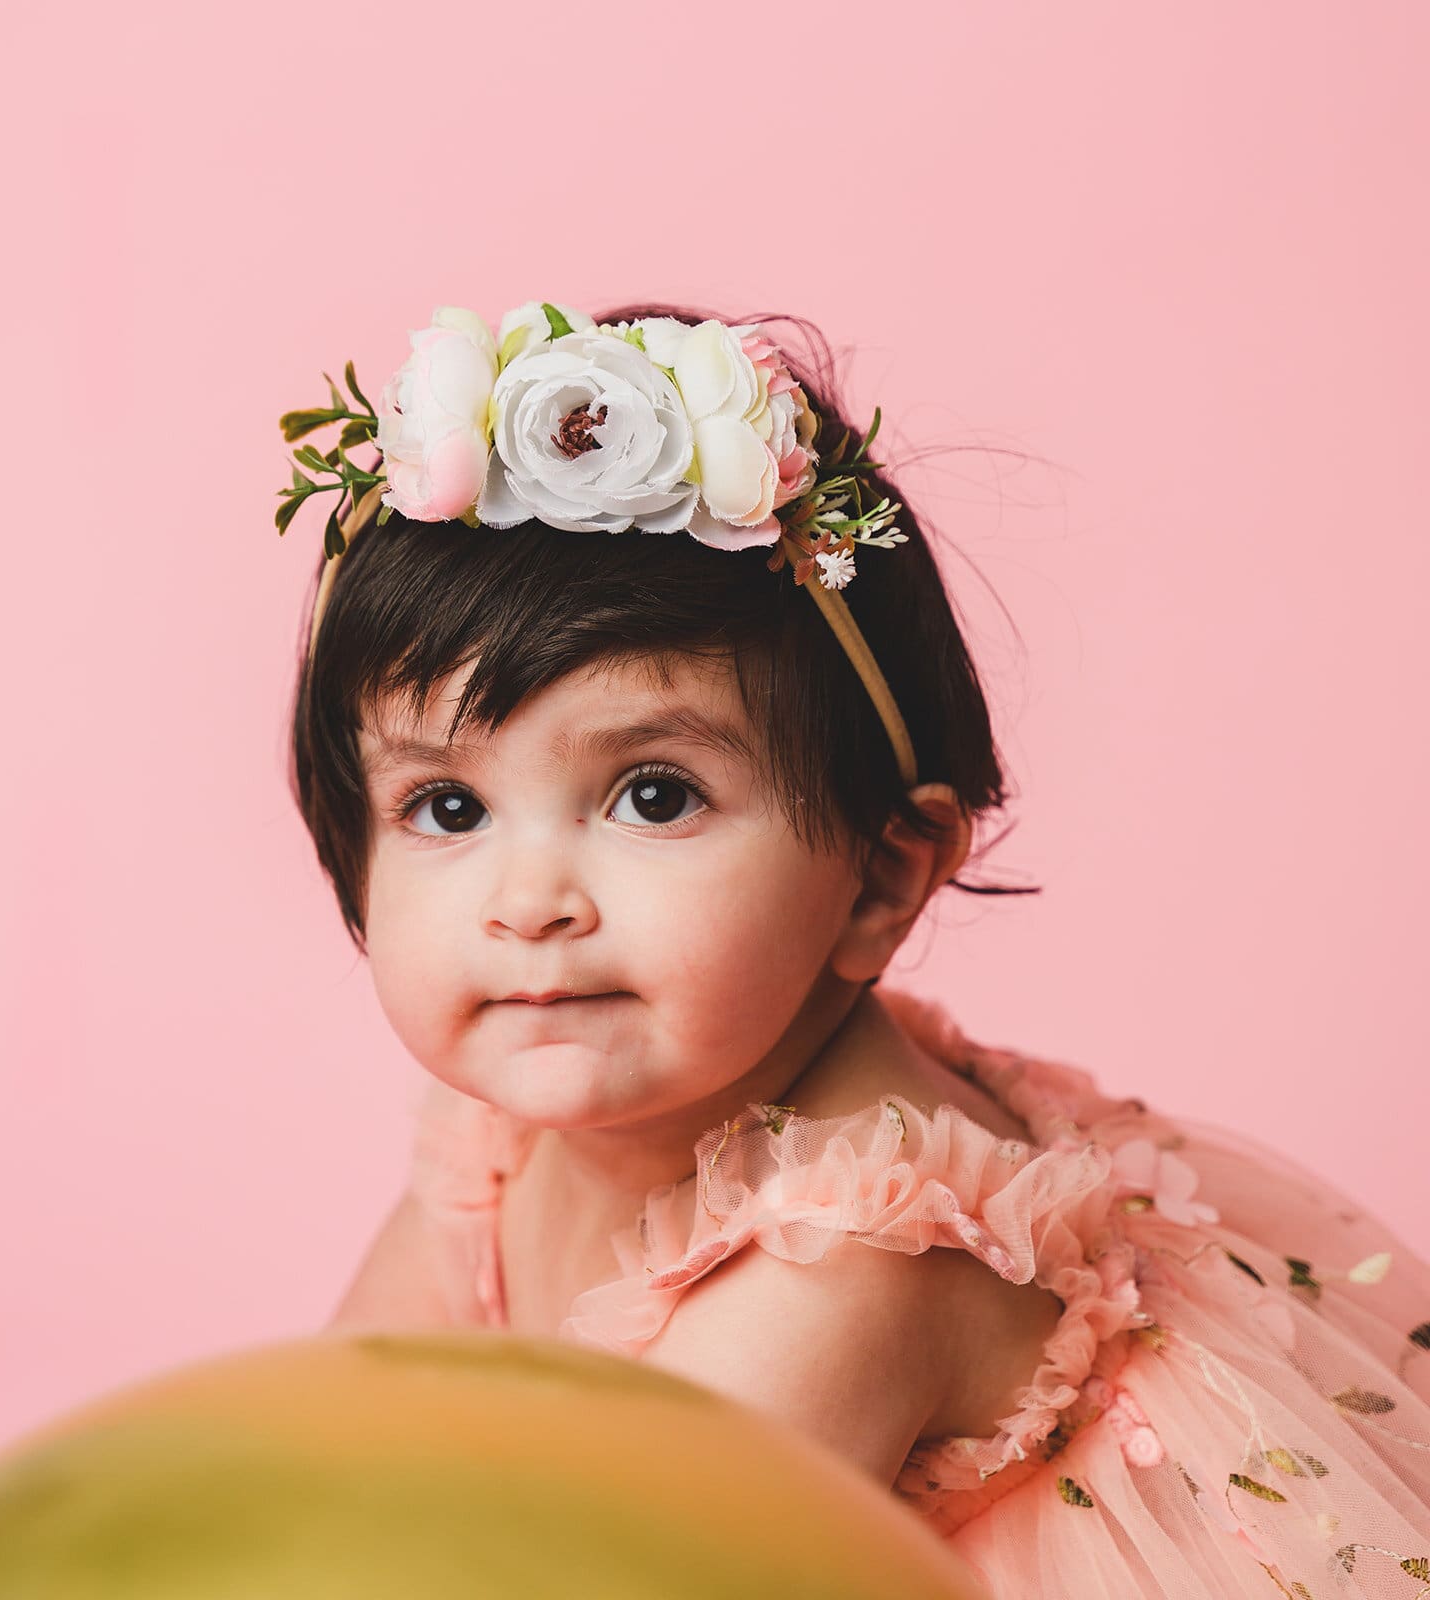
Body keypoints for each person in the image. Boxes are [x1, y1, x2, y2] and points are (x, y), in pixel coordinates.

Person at [279, 298, 1430, 1595]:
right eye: (447, 808)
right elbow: (310, 1460)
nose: (529, 902)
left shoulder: (843, 1268)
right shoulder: (508, 1140)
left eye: (654, 795)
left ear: (881, 879)